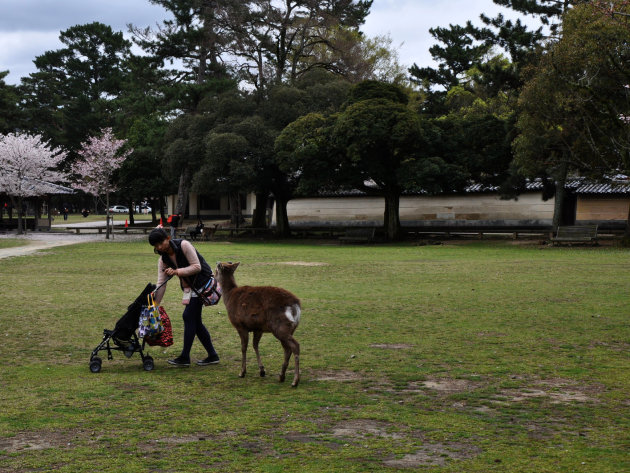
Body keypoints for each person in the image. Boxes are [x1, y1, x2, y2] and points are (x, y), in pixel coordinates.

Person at [148, 227, 220, 367]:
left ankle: (185, 357)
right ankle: (212, 355)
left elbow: (197, 266)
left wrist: (176, 271)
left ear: (168, 238)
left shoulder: (184, 245)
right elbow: (161, 284)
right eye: (156, 246)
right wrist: (155, 304)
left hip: (202, 284)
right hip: (190, 288)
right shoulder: (163, 260)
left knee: (188, 316)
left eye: (160, 243)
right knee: (196, 322)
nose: (159, 247)